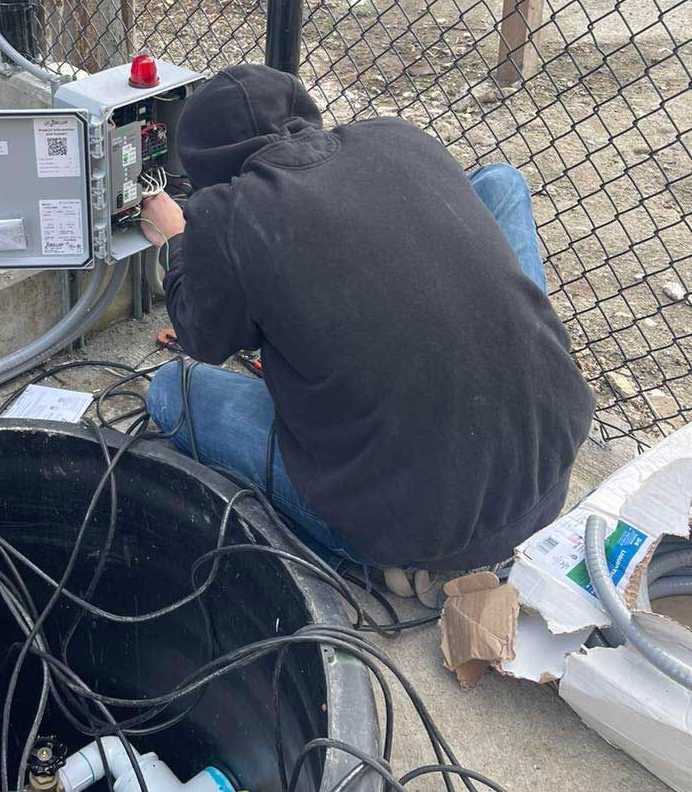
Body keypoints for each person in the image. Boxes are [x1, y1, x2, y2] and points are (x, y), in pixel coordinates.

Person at [141, 65, 595, 601]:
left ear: (206, 167)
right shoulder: (399, 135)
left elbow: (204, 337)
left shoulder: (229, 216)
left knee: (171, 392)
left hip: (415, 522)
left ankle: (386, 560)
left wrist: (176, 243)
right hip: (548, 463)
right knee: (499, 183)